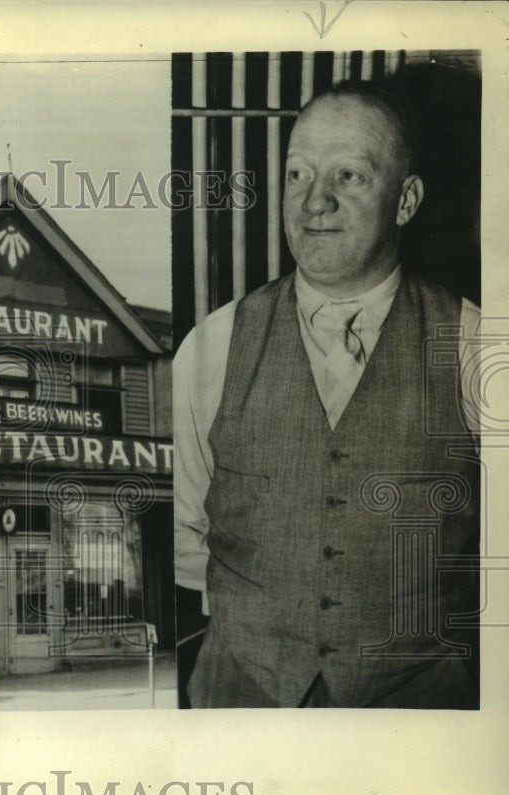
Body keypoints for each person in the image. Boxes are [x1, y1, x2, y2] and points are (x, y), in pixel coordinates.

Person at [172, 80, 481, 708]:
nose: (315, 201)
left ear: (405, 200)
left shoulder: (478, 346)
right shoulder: (212, 345)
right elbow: (183, 534)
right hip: (240, 701)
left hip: (419, 711)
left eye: (349, 176)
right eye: (297, 174)